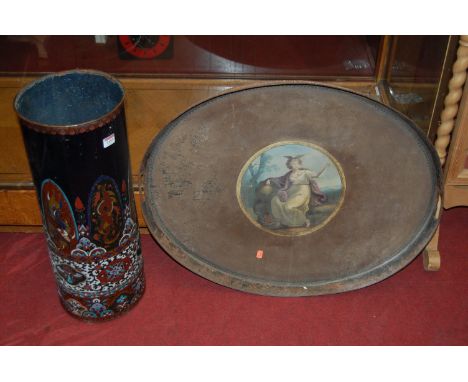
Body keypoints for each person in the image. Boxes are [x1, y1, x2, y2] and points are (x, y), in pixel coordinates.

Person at [265, 155, 327, 228]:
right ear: (289, 165)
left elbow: (317, 175)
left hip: (302, 193)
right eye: (292, 163)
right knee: (275, 200)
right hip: (290, 192)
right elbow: (280, 179)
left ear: (299, 164)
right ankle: (279, 221)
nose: (293, 165)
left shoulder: (305, 172)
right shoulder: (289, 174)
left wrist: (326, 166)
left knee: (289, 207)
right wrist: (270, 180)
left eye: (295, 163)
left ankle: (304, 220)